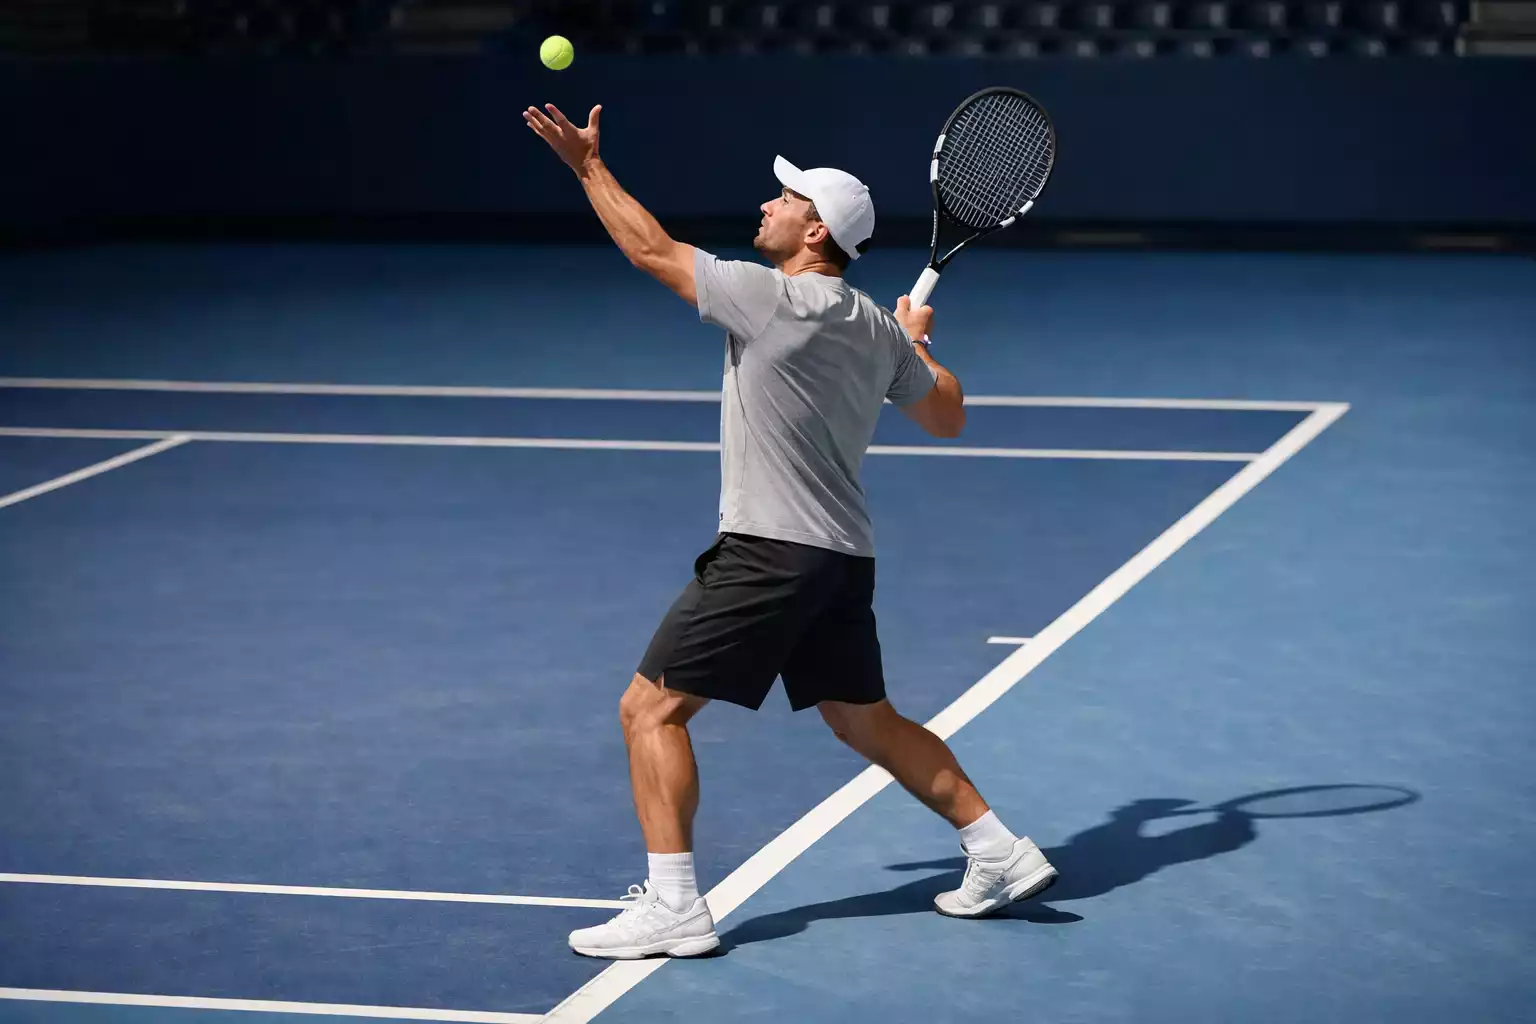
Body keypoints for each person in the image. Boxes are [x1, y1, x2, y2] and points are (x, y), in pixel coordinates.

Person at [523, 102, 1057, 960]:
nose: (768, 204)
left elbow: (649, 249)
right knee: (865, 722)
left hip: (769, 552)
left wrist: (588, 167)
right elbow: (948, 415)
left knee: (649, 710)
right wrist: (913, 346)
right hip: (842, 560)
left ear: (815, 231)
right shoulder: (878, 333)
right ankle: (999, 851)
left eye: (786, 198)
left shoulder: (769, 298)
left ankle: (674, 907)